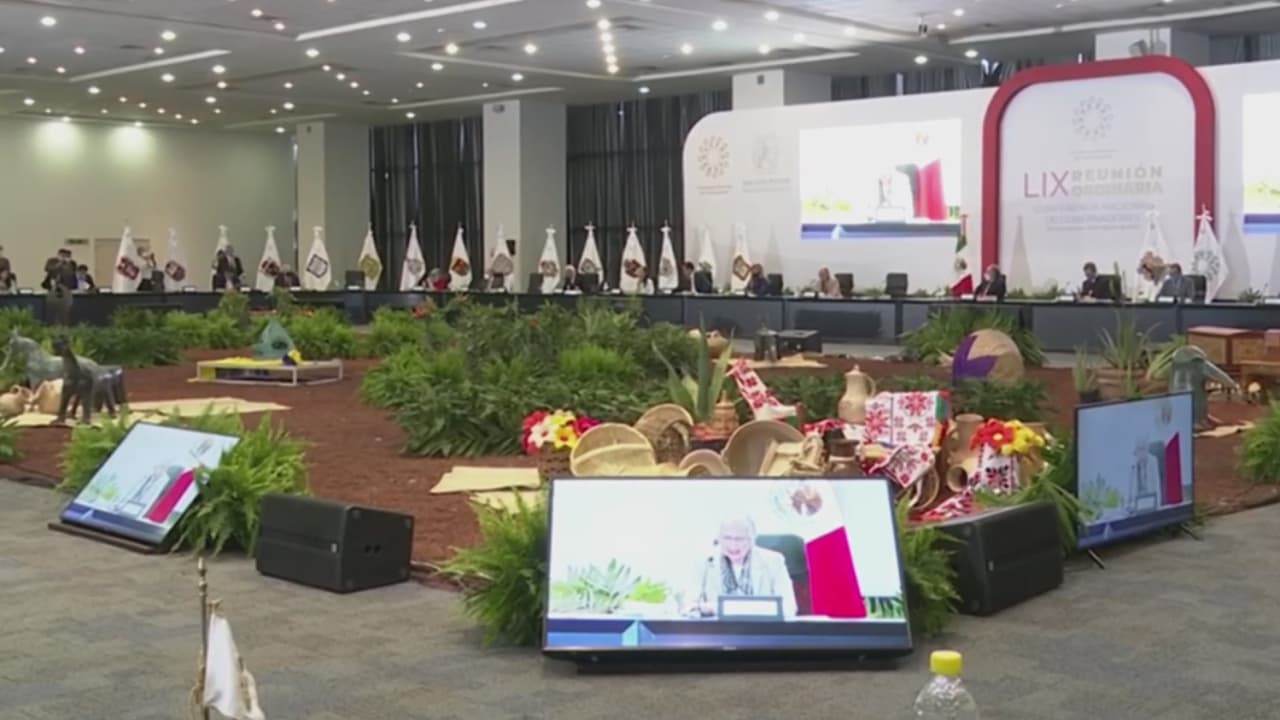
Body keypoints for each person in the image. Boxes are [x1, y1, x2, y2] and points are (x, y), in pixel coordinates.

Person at [682, 515, 797, 619]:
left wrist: (717, 608)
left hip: (761, 630)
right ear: (719, 538)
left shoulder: (773, 561)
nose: (733, 545)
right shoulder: (704, 562)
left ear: (752, 539)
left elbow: (788, 608)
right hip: (718, 632)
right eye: (727, 538)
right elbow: (689, 608)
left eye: (740, 539)